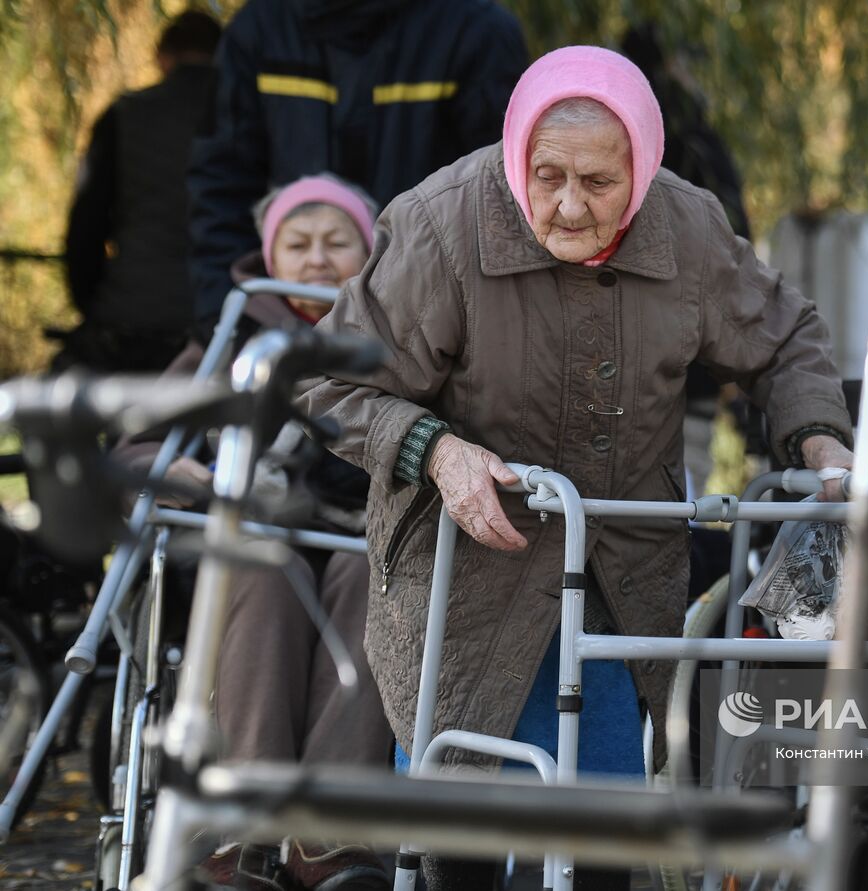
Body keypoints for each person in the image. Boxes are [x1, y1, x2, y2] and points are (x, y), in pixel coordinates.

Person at [298, 46, 855, 890]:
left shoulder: (689, 228)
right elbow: (328, 377)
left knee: (604, 833)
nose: (566, 204)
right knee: (458, 830)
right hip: (466, 574)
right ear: (517, 153)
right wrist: (437, 452)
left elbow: (786, 338)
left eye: (599, 183)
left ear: (644, 167)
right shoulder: (442, 223)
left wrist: (819, 441)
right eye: (547, 174)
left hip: (619, 569)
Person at [116, 174, 393, 891]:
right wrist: (185, 472)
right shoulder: (232, 333)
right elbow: (135, 449)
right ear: (272, 253)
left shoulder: (396, 337)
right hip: (252, 540)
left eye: (338, 242)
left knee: (374, 577)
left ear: (369, 253)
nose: (318, 259)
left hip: (355, 537)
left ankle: (332, 829)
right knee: (265, 571)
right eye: (298, 244)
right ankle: (240, 823)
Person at [186, 0, 528, 330]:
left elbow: (499, 202)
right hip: (279, 325)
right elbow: (221, 191)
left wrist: (461, 336)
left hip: (428, 332)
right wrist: (229, 323)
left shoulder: (475, 31)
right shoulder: (258, 30)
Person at [59, 10, 222, 373]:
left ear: (162, 57)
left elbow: (85, 227)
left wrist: (94, 304)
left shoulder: (123, 116)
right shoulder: (248, 118)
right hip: (220, 320)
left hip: (128, 320)